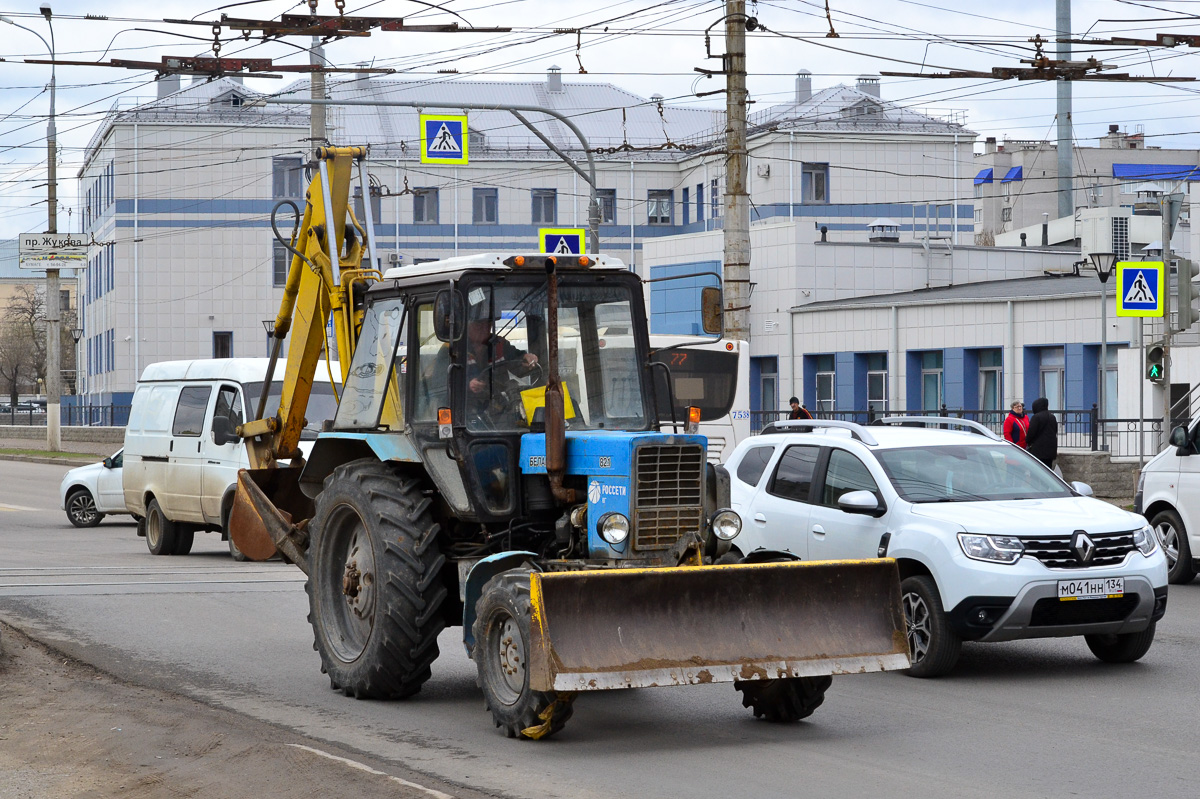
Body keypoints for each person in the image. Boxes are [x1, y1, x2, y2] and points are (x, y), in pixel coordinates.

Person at [1025, 396, 1058, 469]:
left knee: (1037, 471)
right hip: (1051, 450)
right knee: (1048, 470)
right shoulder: (1052, 417)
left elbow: (1031, 432)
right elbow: (1055, 430)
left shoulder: (1036, 417)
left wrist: (1027, 441)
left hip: (1038, 450)